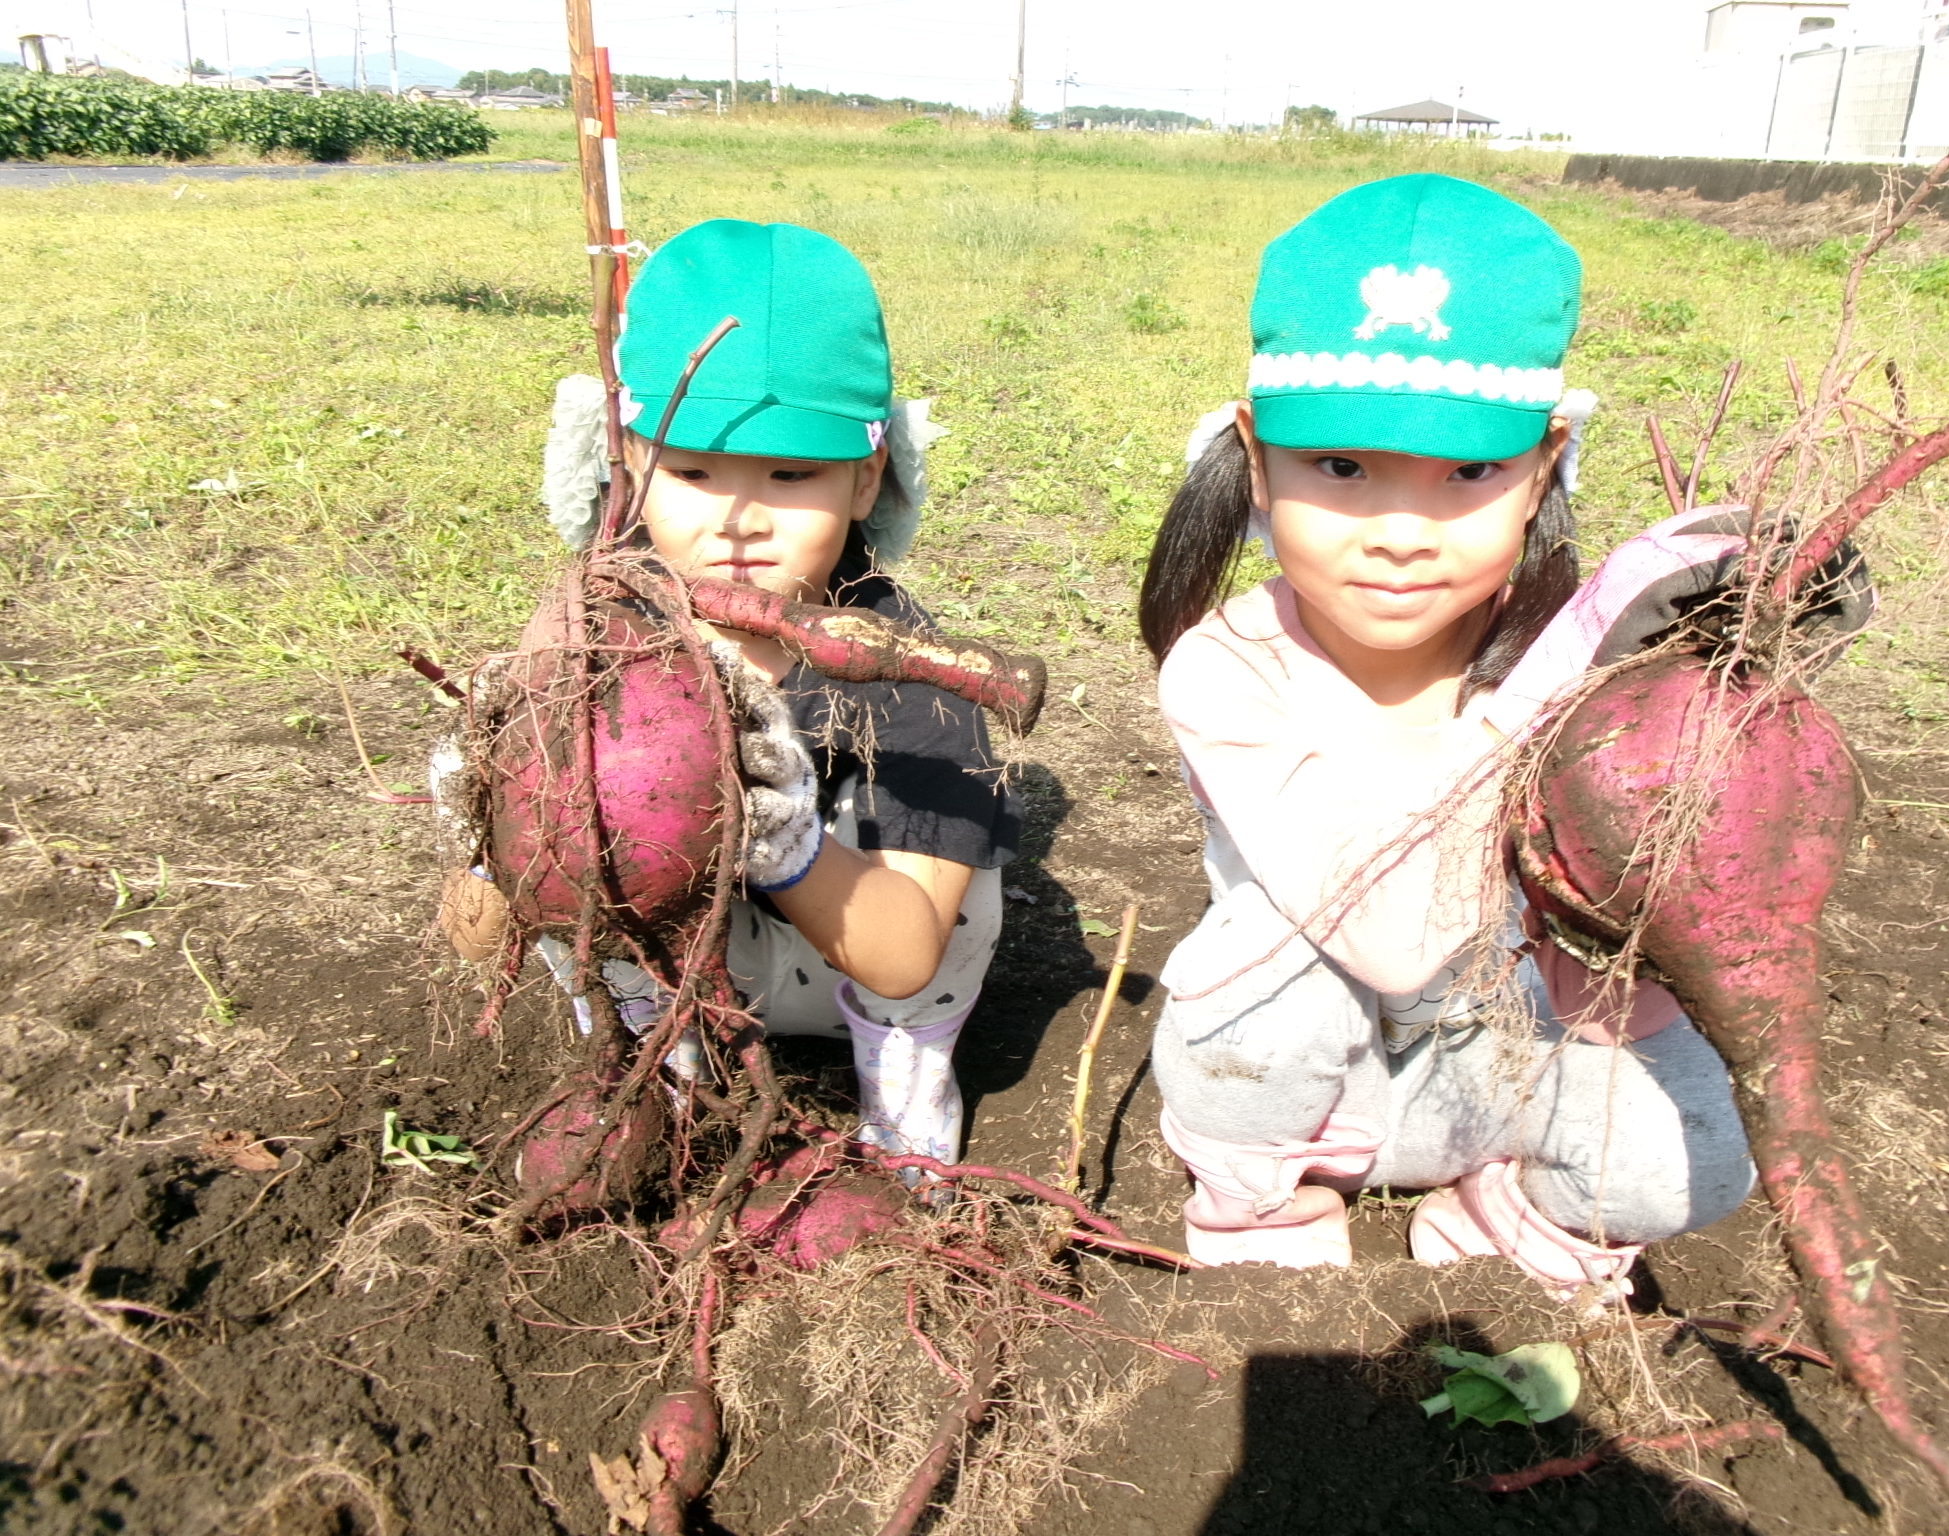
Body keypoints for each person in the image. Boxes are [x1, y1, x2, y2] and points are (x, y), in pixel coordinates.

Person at [1136, 174, 1760, 1292]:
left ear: (1544, 462)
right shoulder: (1228, 672)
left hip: (1520, 1061)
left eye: (1469, 472)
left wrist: (1732, 698)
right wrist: (1570, 659)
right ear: (1256, 455)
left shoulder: (1599, 668)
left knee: (1704, 1151)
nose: (1400, 535)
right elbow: (1390, 936)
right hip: (1312, 1087)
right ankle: (1262, 1204)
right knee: (1268, 966)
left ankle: (1517, 1211)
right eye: (1340, 468)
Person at [439, 219, 1019, 1171]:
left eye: (792, 474)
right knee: (577, 821)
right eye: (693, 472)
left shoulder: (912, 677)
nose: (739, 520)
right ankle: (657, 1072)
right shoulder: (595, 651)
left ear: (867, 478)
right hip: (682, 967)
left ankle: (906, 1093)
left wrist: (782, 839)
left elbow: (906, 954)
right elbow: (477, 943)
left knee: (963, 873)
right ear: (630, 464)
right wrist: (494, 820)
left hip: (863, 964)